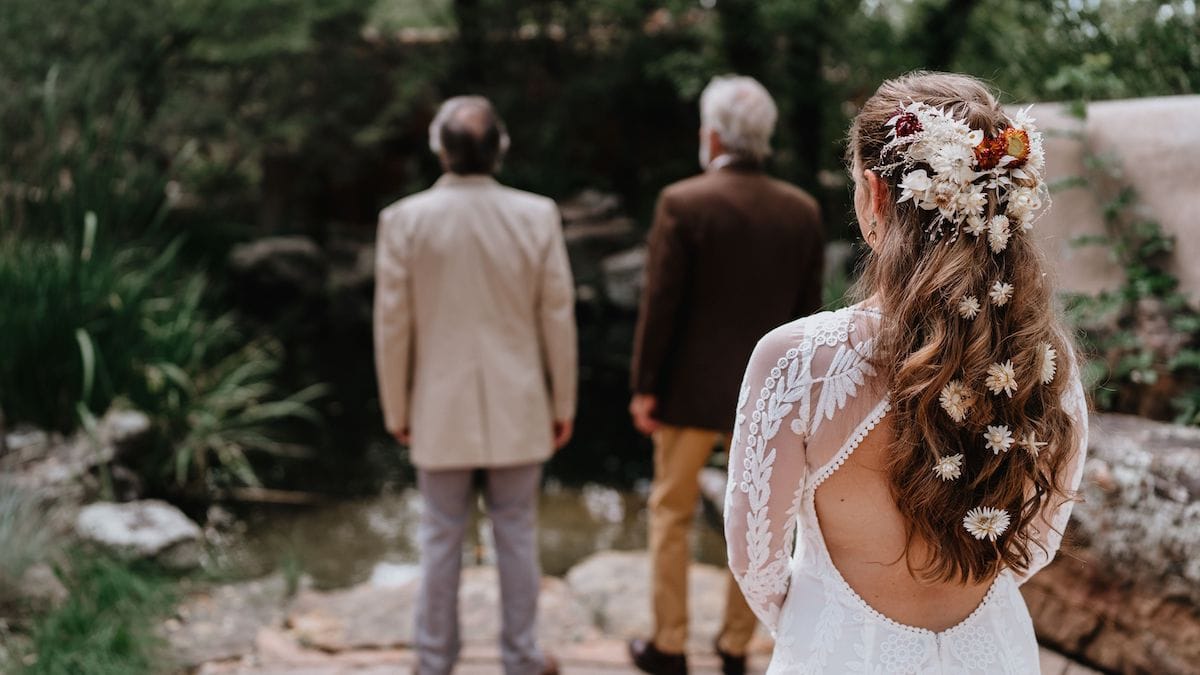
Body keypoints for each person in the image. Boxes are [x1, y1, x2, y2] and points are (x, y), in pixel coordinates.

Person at [724, 71, 1090, 673]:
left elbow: (754, 561)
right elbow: (1039, 540)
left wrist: (825, 623)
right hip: (993, 653)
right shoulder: (1042, 357)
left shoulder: (797, 361)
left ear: (875, 193)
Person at [629, 75, 826, 675]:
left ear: (711, 134)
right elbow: (810, 312)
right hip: (773, 396)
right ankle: (737, 647)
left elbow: (660, 305)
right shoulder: (802, 210)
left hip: (687, 395)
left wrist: (644, 385)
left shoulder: (682, 202)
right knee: (763, 519)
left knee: (671, 513)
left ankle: (669, 644)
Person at [374, 95, 577, 675]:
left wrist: (396, 405)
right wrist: (561, 402)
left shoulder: (403, 220)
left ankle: (433, 659)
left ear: (439, 147)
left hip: (436, 406)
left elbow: (393, 327)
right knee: (516, 534)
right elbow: (556, 319)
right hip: (520, 404)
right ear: (501, 148)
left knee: (439, 537)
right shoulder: (536, 215)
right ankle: (521, 656)